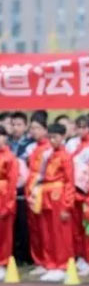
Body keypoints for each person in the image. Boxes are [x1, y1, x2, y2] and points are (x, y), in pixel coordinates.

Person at [38, 123, 75, 282]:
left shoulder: (66, 156)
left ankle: (62, 264)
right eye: (50, 137)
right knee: (47, 232)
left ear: (63, 137)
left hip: (59, 197)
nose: (52, 140)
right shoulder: (49, 155)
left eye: (55, 137)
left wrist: (67, 205)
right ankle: (50, 263)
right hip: (47, 195)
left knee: (60, 233)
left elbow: (69, 182)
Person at [68, 115, 89, 276]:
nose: (81, 130)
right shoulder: (71, 143)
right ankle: (80, 257)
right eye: (79, 127)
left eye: (84, 127)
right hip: (74, 189)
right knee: (76, 227)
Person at [25, 113, 52, 277]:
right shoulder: (33, 149)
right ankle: (39, 260)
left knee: (45, 229)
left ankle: (49, 261)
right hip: (31, 190)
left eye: (37, 128)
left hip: (42, 190)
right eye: (32, 128)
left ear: (45, 130)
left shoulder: (49, 149)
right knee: (35, 229)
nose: (34, 131)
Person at [8, 111, 33, 266]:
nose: (16, 128)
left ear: (25, 126)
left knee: (24, 222)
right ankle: (13, 255)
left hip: (25, 188)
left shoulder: (30, 144)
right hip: (9, 189)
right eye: (13, 124)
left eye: (19, 124)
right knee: (11, 223)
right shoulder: (7, 143)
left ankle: (25, 255)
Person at [0, 126, 19, 282]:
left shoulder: (10, 157)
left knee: (4, 233)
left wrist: (9, 205)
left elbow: (12, 184)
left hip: (4, 197)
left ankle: (3, 263)